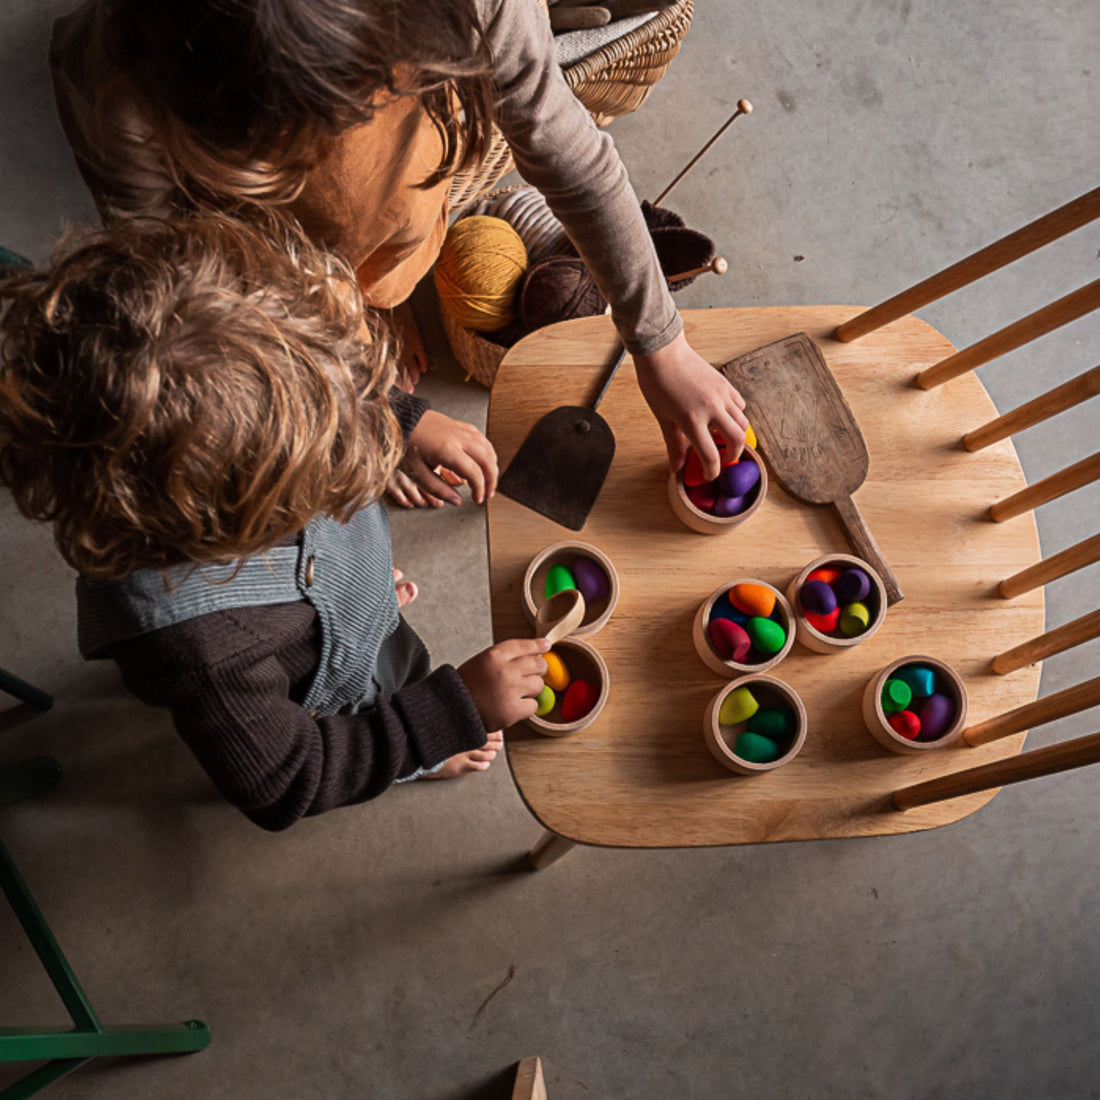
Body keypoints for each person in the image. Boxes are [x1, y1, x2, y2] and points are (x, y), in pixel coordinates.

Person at [49, 0, 749, 509]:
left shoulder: (468, 11)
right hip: (280, 257)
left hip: (387, 196)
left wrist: (662, 344)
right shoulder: (125, 100)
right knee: (319, 263)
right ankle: (359, 294)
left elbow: (563, 144)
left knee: (385, 228)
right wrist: (380, 413)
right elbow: (218, 314)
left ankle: (375, 283)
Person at [0, 211, 550, 831]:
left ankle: (337, 608)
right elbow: (290, 779)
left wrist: (398, 416)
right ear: (244, 531)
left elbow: (313, 377)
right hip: (322, 684)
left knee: (362, 621)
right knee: (391, 694)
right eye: (327, 471)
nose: (358, 443)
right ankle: (407, 751)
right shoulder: (207, 654)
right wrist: (450, 712)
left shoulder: (248, 405)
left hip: (311, 596)